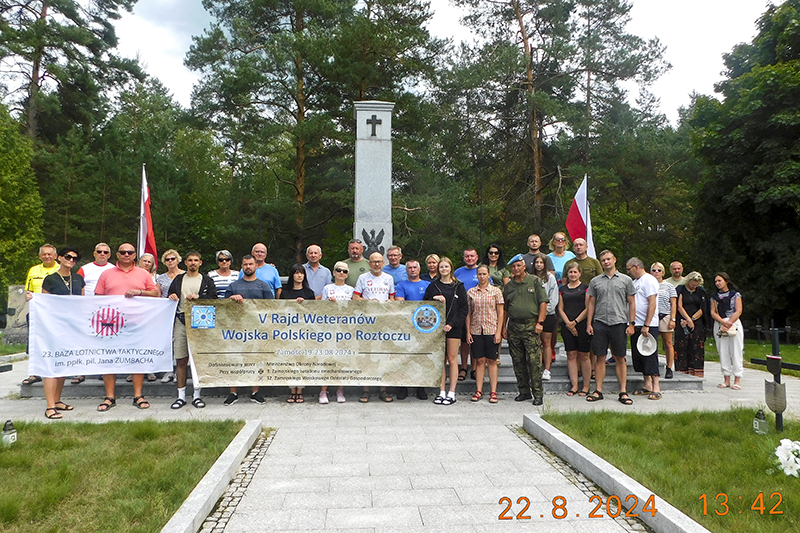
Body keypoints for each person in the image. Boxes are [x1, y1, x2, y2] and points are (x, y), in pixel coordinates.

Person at [94, 243, 160, 411]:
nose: (126, 255)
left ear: (134, 255)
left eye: (130, 252)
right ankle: (110, 396)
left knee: (136, 357)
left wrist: (139, 292)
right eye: (123, 252)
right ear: (117, 254)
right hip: (111, 324)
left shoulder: (143, 273)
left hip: (136, 323)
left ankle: (138, 395)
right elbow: (97, 297)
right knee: (109, 359)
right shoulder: (106, 274)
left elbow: (156, 294)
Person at [167, 251, 217, 410]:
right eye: (190, 260)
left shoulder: (207, 280)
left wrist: (199, 299)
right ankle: (181, 396)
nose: (193, 263)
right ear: (186, 263)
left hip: (200, 322)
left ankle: (197, 395)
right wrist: (172, 296)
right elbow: (170, 294)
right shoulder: (179, 279)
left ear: (200, 263)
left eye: (196, 260)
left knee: (197, 360)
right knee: (181, 359)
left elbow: (214, 299)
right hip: (181, 320)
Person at [585, 250, 636, 405]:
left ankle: (623, 392)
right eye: (603, 260)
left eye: (608, 259)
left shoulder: (626, 280)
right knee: (600, 357)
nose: (606, 262)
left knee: (620, 357)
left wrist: (631, 323)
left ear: (614, 259)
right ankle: (598, 390)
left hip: (619, 322)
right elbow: (591, 303)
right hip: (600, 322)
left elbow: (632, 303)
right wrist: (589, 323)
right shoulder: (595, 281)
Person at [39, 247, 85, 419]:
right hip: (54, 327)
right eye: (68, 257)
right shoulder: (50, 279)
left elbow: (82, 302)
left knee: (63, 364)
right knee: (51, 365)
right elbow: (43, 303)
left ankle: (57, 400)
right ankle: (50, 406)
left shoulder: (79, 278)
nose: (71, 260)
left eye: (75, 258)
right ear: (59, 258)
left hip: (72, 327)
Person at [224, 255, 274, 405]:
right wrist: (231, 299)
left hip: (257, 329)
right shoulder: (233, 286)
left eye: (251, 264)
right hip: (236, 329)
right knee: (234, 359)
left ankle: (255, 392)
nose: (248, 267)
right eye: (245, 264)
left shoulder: (263, 286)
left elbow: (270, 308)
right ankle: (233, 393)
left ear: (256, 266)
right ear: (241, 266)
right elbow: (223, 307)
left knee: (256, 359)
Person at [502, 254, 549, 406]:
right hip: (514, 326)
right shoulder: (509, 286)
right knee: (517, 360)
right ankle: (524, 391)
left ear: (524, 266)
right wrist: (503, 326)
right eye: (513, 266)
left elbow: (543, 303)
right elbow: (506, 309)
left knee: (534, 360)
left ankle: (538, 393)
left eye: (518, 266)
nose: (516, 269)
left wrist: (540, 322)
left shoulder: (535, 281)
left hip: (531, 325)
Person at [425, 257, 468, 405]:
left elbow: (464, 309)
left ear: (451, 268)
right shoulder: (433, 286)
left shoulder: (459, 286)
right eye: (441, 267)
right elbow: (425, 305)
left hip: (454, 328)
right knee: (440, 360)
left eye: (446, 267)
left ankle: (452, 392)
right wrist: (434, 298)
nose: (444, 269)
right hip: (436, 328)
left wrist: (452, 324)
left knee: (452, 358)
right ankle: (442, 391)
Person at [354, 252, 395, 402]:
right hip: (366, 322)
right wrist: (369, 302)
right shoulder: (363, 278)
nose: (376, 264)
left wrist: (388, 303)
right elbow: (355, 297)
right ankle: (366, 390)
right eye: (373, 262)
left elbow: (392, 297)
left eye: (379, 261)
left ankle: (383, 389)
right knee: (366, 355)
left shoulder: (389, 278)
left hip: (383, 323)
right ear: (369, 264)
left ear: (383, 263)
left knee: (383, 355)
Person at [71, 242, 115, 384]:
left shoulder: (113, 269)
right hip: (87, 309)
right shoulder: (84, 269)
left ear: (109, 255)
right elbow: (78, 286)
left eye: (105, 252)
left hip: (107, 310)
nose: (102, 254)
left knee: (105, 340)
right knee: (84, 340)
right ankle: (81, 371)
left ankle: (105, 370)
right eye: (100, 251)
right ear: (94, 253)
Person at [22, 243, 59, 386]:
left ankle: (57, 368)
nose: (47, 256)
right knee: (34, 341)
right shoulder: (33, 270)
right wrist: (28, 296)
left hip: (54, 312)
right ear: (39, 256)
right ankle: (34, 372)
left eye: (50, 254)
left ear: (55, 256)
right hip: (37, 312)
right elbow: (28, 290)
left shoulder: (60, 269)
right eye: (44, 254)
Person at [316, 261, 354, 403]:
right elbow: (321, 308)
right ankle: (323, 391)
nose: (341, 273)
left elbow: (353, 309)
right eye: (339, 270)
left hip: (345, 329)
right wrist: (329, 304)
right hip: (329, 329)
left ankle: (340, 390)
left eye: (344, 271)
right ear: (333, 272)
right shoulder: (327, 288)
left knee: (342, 360)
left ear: (347, 274)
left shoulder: (350, 290)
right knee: (327, 360)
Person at [466, 264, 504, 403]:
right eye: (479, 274)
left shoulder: (496, 291)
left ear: (488, 275)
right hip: (476, 330)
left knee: (492, 361)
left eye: (484, 274)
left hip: (491, 329)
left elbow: (500, 313)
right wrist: (468, 331)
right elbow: (468, 314)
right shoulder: (471, 292)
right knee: (479, 361)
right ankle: (479, 390)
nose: (482, 276)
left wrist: (498, 331)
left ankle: (493, 392)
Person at [394, 259, 431, 400]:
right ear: (406, 270)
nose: (412, 270)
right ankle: (402, 386)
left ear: (419, 269)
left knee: (421, 357)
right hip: (406, 325)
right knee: (403, 357)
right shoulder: (401, 285)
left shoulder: (428, 285)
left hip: (423, 326)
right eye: (409, 268)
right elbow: (400, 304)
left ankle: (420, 387)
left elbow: (431, 304)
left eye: (415, 267)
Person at [626, 257, 662, 400]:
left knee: (650, 354)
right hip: (636, 323)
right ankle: (647, 384)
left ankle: (656, 386)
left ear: (636, 266)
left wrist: (647, 324)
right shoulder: (635, 282)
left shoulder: (649, 280)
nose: (628, 272)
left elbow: (652, 303)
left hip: (649, 324)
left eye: (629, 269)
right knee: (639, 355)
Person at [281, 264, 316, 403]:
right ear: (292, 275)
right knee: (290, 362)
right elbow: (280, 312)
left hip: (305, 333)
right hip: (289, 332)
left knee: (303, 362)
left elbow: (313, 313)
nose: (299, 275)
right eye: (296, 273)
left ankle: (300, 390)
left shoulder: (309, 293)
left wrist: (304, 305)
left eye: (301, 273)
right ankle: (291, 390)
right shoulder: (284, 293)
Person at [558, 262, 591, 396]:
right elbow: (560, 308)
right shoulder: (563, 289)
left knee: (584, 355)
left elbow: (588, 307)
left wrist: (576, 322)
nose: (572, 274)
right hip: (567, 325)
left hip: (582, 324)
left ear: (580, 273)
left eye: (575, 272)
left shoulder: (586, 288)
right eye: (570, 272)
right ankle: (574, 385)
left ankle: (586, 386)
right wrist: (569, 324)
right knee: (571, 354)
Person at [710, 272, 744, 390]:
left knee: (736, 351)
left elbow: (738, 310)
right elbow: (713, 312)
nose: (717, 283)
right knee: (723, 351)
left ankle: (738, 378)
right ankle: (726, 379)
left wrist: (729, 323)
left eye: (719, 280)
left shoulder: (735, 295)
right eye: (716, 281)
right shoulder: (714, 297)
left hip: (733, 323)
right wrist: (722, 323)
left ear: (726, 281)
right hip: (720, 323)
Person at [674, 271, 709, 377]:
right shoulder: (680, 289)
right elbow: (679, 306)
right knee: (682, 346)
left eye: (696, 285)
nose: (694, 286)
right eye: (692, 284)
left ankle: (697, 372)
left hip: (697, 322)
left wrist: (692, 319)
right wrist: (687, 319)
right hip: (683, 320)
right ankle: (681, 371)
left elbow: (703, 308)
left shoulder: (701, 292)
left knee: (696, 347)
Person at [531, 255, 558, 380]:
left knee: (546, 342)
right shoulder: (529, 278)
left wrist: (544, 311)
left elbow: (553, 298)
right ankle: (535, 368)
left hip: (548, 315)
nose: (539, 264)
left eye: (541, 262)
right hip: (532, 315)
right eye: (536, 262)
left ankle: (547, 369)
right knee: (534, 343)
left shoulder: (550, 278)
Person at [454, 248, 480, 379]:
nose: (469, 258)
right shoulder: (458, 272)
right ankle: (464, 367)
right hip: (462, 310)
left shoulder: (481, 271)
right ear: (464, 258)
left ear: (477, 257)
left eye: (472, 256)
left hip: (478, 311)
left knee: (474, 341)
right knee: (464, 341)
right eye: (467, 256)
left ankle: (475, 368)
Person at [651, 262, 677, 379]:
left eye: (659, 270)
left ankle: (669, 367)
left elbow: (673, 303)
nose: (656, 272)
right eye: (654, 270)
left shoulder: (669, 286)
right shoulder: (649, 284)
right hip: (652, 316)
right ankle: (653, 366)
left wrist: (673, 318)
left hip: (665, 315)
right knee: (652, 343)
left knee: (668, 343)